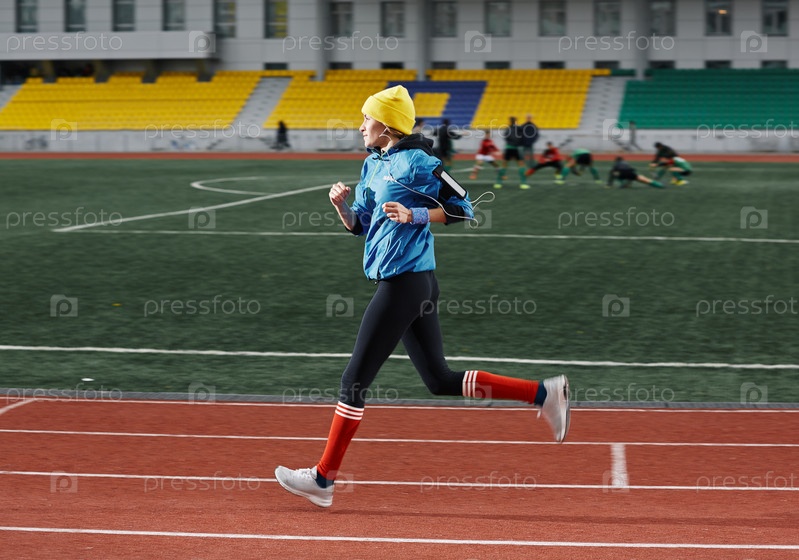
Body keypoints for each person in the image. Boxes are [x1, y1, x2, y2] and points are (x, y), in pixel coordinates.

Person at [274, 85, 571, 508]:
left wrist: (415, 214)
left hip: (406, 283)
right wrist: (341, 207)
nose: (360, 126)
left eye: (367, 118)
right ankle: (544, 394)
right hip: (409, 283)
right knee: (438, 380)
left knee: (353, 380)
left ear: (387, 124)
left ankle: (323, 479)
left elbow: (465, 207)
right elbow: (362, 225)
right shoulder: (373, 164)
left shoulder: (419, 162)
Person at [494, 117, 529, 189]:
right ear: (515, 121)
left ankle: (498, 183)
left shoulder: (508, 129)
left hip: (508, 147)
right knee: (521, 165)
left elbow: (505, 137)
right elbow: (523, 137)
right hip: (516, 148)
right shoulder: (519, 128)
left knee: (504, 165)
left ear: (510, 121)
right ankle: (523, 183)